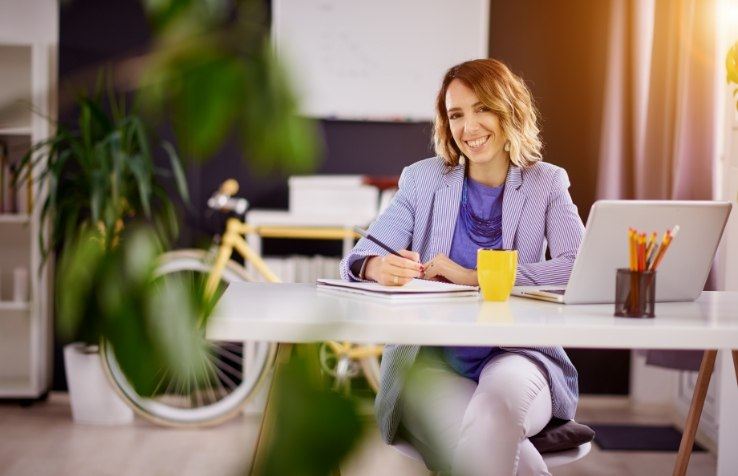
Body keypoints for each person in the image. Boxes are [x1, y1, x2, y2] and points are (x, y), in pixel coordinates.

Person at [339, 59, 585, 476]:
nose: (469, 128)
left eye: (482, 108)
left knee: (493, 415)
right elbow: (358, 257)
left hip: (519, 356)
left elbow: (577, 268)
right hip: (431, 366)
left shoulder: (546, 182)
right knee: (493, 447)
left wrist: (473, 277)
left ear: (509, 109)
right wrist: (377, 266)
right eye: (456, 115)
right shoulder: (424, 180)